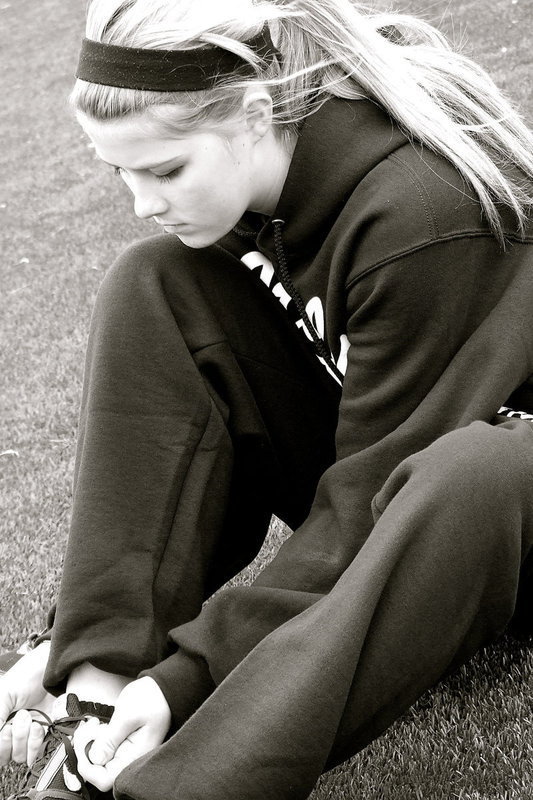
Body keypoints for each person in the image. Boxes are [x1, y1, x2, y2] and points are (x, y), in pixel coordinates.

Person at [2, 0, 533, 797]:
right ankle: (95, 692)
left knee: (480, 467)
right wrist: (79, 645)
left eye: (166, 169)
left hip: (494, 517)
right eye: (121, 171)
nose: (142, 201)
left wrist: (190, 677)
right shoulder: (254, 193)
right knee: (152, 282)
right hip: (401, 487)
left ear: (255, 115)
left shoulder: (424, 214)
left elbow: (367, 504)